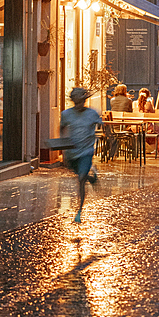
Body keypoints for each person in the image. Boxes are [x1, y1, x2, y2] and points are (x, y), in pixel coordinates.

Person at [59, 87, 102, 223]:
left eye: (81, 102)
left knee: (81, 179)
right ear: (73, 101)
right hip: (72, 152)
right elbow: (62, 128)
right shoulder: (66, 114)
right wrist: (63, 147)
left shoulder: (92, 113)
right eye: (77, 102)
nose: (79, 105)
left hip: (86, 151)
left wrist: (101, 132)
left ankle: (79, 211)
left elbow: (101, 124)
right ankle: (90, 177)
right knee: (79, 174)